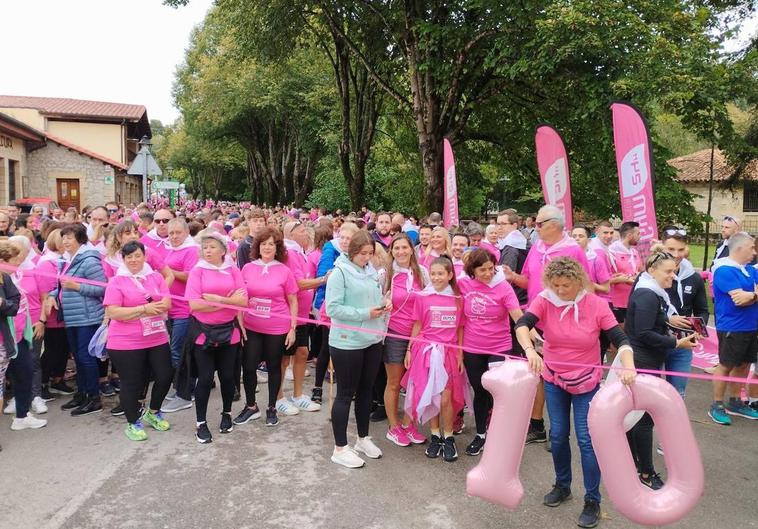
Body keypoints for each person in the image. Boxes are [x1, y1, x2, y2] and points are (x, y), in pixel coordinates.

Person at [515, 257, 637, 529]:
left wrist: (629, 367)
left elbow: (621, 340)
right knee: (557, 436)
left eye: (566, 285)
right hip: (554, 378)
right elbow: (522, 324)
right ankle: (562, 485)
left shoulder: (595, 305)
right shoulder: (546, 300)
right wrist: (530, 350)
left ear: (579, 282)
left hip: (587, 383)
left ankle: (592, 500)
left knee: (586, 440)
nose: (560, 290)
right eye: (555, 284)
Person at [504, 205, 591, 444]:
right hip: (535, 321)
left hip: (562, 323)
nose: (535, 227)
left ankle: (558, 433)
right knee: (537, 373)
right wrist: (513, 277)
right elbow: (527, 282)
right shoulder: (536, 248)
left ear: (554, 224)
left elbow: (586, 287)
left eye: (539, 224)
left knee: (557, 375)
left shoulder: (573, 250)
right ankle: (537, 425)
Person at [625, 249, 699, 490]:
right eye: (668, 272)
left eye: (674, 272)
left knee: (635, 415)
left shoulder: (651, 290)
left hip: (644, 360)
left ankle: (630, 463)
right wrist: (676, 342)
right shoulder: (648, 294)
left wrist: (668, 323)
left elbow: (645, 325)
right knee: (644, 419)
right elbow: (644, 333)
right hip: (643, 362)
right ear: (651, 270)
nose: (672, 277)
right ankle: (645, 473)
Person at [325, 230, 387, 468]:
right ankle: (340, 448)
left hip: (371, 339)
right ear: (352, 252)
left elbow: (372, 299)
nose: (367, 257)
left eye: (370, 253)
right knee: (345, 394)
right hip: (347, 341)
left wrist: (383, 304)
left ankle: (362, 438)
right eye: (363, 254)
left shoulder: (369, 271)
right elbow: (333, 309)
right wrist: (365, 314)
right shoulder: (339, 273)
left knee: (366, 390)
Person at [103, 241, 174, 441]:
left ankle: (153, 411)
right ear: (123, 260)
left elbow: (166, 302)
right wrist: (143, 310)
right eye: (129, 257)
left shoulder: (155, 277)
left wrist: (145, 310)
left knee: (165, 375)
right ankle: (133, 422)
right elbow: (113, 311)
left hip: (156, 336)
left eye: (137, 256)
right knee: (131, 383)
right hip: (125, 341)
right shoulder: (117, 281)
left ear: (144, 257)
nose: (134, 260)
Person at [183, 234, 248, 443]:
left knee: (228, 377)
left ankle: (227, 413)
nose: (207, 251)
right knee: (205, 378)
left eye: (212, 247)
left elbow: (244, 301)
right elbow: (194, 305)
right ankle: (200, 422)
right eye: (204, 247)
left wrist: (219, 300)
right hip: (203, 331)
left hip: (230, 331)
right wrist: (230, 301)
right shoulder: (197, 271)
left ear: (223, 250)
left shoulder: (233, 270)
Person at [459, 249, 523, 456]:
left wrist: (534, 343)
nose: (488, 273)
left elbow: (518, 318)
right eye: (482, 270)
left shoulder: (503, 286)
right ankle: (481, 435)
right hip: (472, 346)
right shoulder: (464, 284)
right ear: (472, 270)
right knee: (480, 391)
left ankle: (500, 434)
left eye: (491, 269)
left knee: (497, 391)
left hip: (499, 346)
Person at [403, 256, 466, 462]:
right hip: (426, 353)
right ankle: (435, 435)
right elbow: (418, 325)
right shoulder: (422, 297)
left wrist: (460, 353)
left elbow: (460, 329)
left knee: (446, 398)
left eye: (441, 274)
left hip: (447, 354)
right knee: (430, 396)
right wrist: (409, 349)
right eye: (433, 273)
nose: (437, 277)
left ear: (450, 275)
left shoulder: (458, 299)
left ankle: (448, 437)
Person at [236, 227, 298, 427]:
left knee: (274, 367)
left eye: (271, 244)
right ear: (257, 246)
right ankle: (251, 406)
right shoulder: (247, 268)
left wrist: (292, 328)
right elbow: (240, 297)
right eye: (264, 244)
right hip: (252, 326)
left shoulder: (284, 270)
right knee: (249, 366)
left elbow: (293, 300)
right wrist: (240, 322)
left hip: (277, 327)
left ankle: (272, 406)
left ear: (277, 247)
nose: (267, 247)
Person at [45, 223, 106, 416]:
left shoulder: (89, 260)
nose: (65, 241)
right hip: (72, 317)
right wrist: (54, 294)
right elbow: (63, 286)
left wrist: (78, 287)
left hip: (87, 317)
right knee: (79, 358)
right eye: (63, 238)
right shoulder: (66, 260)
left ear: (80, 239)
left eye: (69, 238)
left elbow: (102, 288)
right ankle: (82, 392)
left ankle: (94, 398)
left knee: (86, 358)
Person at [382, 233, 429, 447]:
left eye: (404, 247)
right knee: (394, 383)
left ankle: (410, 424)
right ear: (391, 251)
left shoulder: (423, 274)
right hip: (394, 334)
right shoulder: (386, 274)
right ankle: (394, 427)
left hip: (419, 336)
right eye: (396, 248)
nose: (401, 252)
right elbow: (375, 296)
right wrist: (383, 300)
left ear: (412, 249)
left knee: (415, 383)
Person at [709, 232, 758, 424]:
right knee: (726, 365)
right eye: (751, 247)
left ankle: (736, 401)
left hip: (750, 327)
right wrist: (752, 295)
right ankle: (717, 404)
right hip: (732, 327)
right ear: (739, 249)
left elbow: (748, 297)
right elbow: (739, 300)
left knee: (743, 365)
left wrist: (752, 295)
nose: (754, 252)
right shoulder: (724, 270)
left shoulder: (747, 269)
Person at [0, 242, 47, 433]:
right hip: (4, 339)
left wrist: (3, 304)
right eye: (14, 261)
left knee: (25, 373)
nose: (18, 265)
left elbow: (14, 305)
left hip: (18, 336)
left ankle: (21, 416)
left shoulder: (8, 278)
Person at [279, 221, 323, 413]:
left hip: (304, 314)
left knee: (302, 352)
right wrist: (325, 279)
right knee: (284, 357)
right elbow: (298, 284)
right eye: (303, 231)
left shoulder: (300, 253)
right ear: (291, 234)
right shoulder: (289, 253)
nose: (307, 235)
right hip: (290, 314)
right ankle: (278, 397)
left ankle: (297, 395)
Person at [661, 227, 709, 397]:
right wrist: (668, 319)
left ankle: (672, 424)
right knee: (649, 395)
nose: (676, 254)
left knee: (677, 394)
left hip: (683, 344)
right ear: (662, 247)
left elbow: (702, 309)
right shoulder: (650, 274)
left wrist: (699, 327)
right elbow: (638, 309)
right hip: (654, 342)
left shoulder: (694, 277)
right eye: (671, 249)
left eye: (681, 249)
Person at [160, 219, 199, 413]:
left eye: (177, 233)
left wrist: (167, 272)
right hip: (171, 308)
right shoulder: (170, 249)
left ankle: (184, 393)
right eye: (170, 233)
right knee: (176, 351)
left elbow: (191, 276)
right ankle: (180, 387)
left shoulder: (191, 250)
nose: (174, 236)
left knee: (179, 352)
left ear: (186, 233)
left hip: (185, 309)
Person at [36, 230, 74, 397]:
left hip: (68, 313)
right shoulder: (46, 263)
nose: (67, 242)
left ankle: (58, 379)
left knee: (64, 349)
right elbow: (45, 293)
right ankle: (42, 382)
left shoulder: (66, 260)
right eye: (64, 239)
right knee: (52, 350)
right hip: (52, 314)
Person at [608, 221, 641, 325]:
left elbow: (639, 271)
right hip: (616, 301)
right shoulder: (611, 252)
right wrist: (621, 280)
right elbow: (603, 279)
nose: (640, 237)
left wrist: (637, 277)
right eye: (638, 234)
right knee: (620, 336)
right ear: (629, 235)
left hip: (633, 300)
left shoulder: (634, 252)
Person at [571, 226, 611, 297]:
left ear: (589, 240)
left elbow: (606, 288)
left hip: (591, 301)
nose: (576, 239)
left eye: (581, 236)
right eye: (574, 236)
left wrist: (589, 284)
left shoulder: (596, 260)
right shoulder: (565, 259)